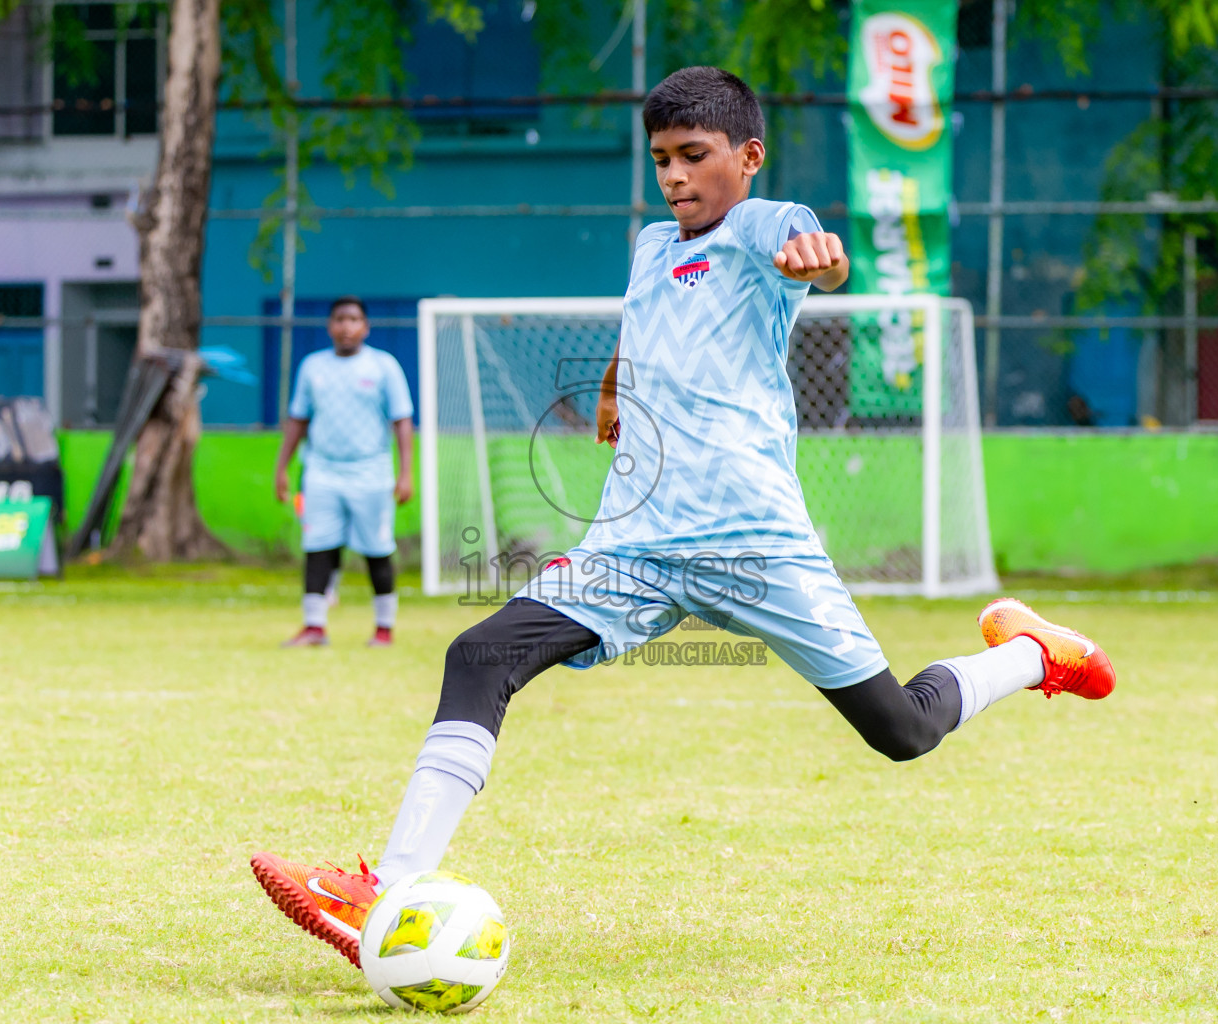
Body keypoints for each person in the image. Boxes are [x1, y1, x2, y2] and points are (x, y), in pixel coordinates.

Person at [250, 67, 1115, 965]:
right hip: (636, 544)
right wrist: (620, 383)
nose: (675, 177)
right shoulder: (651, 245)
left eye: (695, 157)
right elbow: (648, 314)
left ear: (747, 157)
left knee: (900, 731)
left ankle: (1027, 653)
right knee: (478, 655)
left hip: (756, 547)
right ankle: (382, 895)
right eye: (661, 158)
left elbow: (808, 241)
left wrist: (820, 255)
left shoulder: (759, 226)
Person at [274, 296, 414, 648]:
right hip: (321, 471)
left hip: (371, 472)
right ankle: (314, 627)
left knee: (377, 549)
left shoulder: (384, 366)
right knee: (318, 546)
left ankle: (384, 629)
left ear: (365, 327)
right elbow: (297, 419)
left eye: (353, 319)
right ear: (329, 326)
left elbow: (402, 421)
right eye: (339, 319)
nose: (346, 326)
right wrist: (281, 468)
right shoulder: (312, 367)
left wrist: (406, 472)